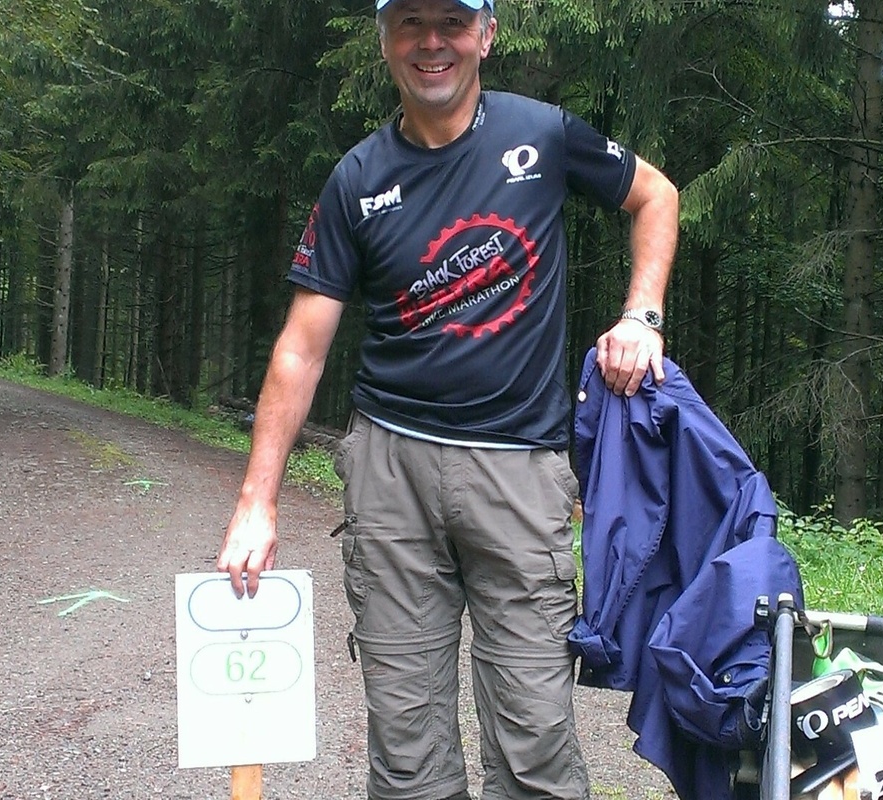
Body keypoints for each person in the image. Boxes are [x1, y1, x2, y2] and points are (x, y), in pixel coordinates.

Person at [216, 0, 679, 797]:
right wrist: (256, 503)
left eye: (453, 22)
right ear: (386, 39)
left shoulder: (544, 135)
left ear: (487, 35)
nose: (433, 42)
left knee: (535, 734)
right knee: (406, 745)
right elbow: (301, 347)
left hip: (521, 473)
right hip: (390, 472)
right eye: (411, 22)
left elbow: (655, 195)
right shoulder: (357, 179)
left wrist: (642, 315)